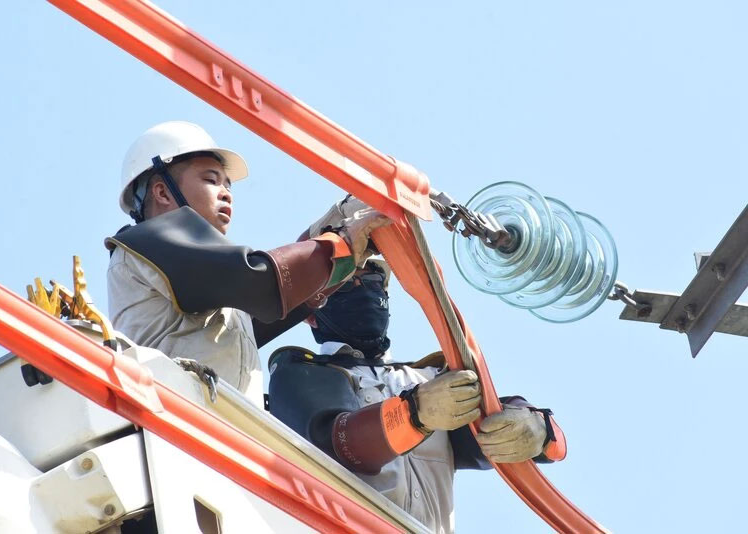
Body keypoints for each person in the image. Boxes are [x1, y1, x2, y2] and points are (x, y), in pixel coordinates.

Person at [267, 259, 567, 534]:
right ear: (311, 315)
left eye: (371, 279)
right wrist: (415, 414)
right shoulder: (299, 375)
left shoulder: (428, 378)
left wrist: (536, 426)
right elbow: (339, 443)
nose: (362, 288)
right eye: (347, 281)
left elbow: (491, 434)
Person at [105, 121, 387, 406]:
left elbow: (271, 309)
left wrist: (337, 246)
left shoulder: (202, 278)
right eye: (211, 180)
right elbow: (261, 285)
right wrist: (340, 244)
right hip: (171, 419)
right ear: (163, 193)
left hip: (215, 425)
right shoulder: (147, 241)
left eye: (227, 185)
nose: (226, 192)